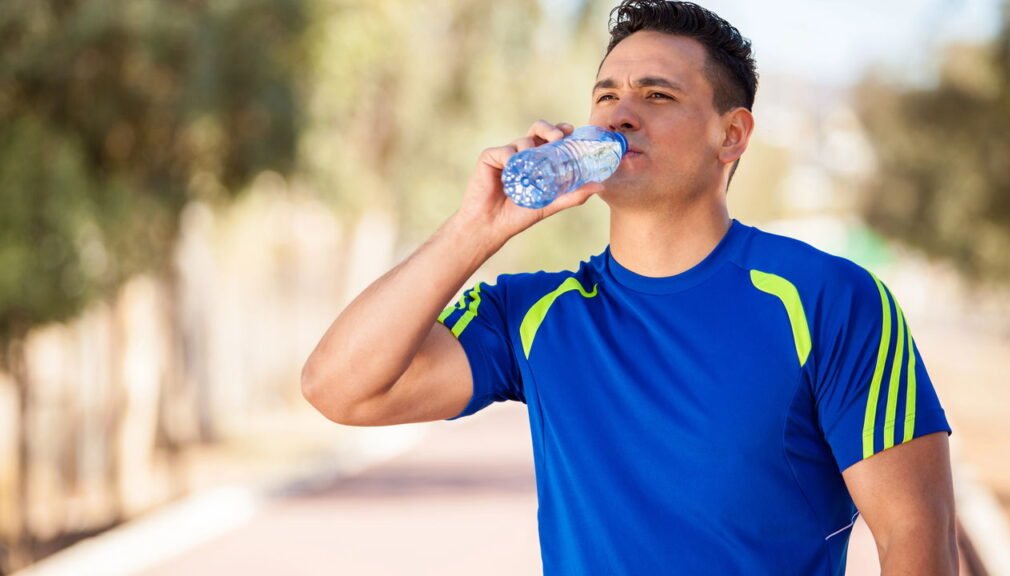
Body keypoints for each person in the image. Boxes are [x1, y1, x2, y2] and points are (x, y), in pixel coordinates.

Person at [300, 1, 958, 574]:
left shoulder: (828, 299)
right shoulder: (534, 314)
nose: (621, 116)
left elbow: (914, 535)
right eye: (606, 96)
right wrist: (475, 229)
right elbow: (340, 389)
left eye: (657, 96)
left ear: (731, 135)